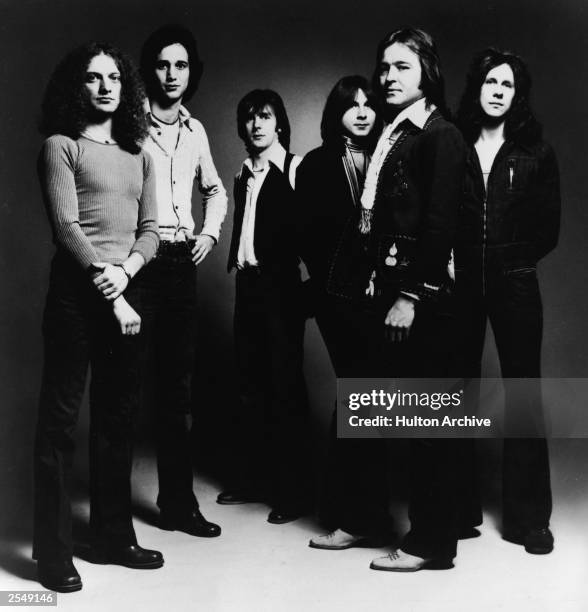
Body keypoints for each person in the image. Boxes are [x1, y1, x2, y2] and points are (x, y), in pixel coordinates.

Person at [33, 42, 162, 593]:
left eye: (114, 77)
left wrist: (126, 274)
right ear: (76, 87)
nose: (105, 86)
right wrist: (110, 291)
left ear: (125, 89)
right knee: (60, 425)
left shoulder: (141, 154)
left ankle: (113, 536)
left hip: (125, 292)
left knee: (118, 420)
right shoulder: (60, 146)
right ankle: (52, 553)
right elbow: (67, 229)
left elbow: (151, 230)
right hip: (77, 297)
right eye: (92, 77)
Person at [356, 28, 467, 572]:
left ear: (426, 72)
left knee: (430, 425)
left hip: (427, 301)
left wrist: (409, 296)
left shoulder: (439, 134)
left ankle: (432, 545)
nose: (388, 77)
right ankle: (400, 528)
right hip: (399, 293)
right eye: (384, 68)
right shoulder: (397, 132)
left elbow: (441, 224)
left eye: (401, 67)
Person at [454, 48, 560, 554]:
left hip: (514, 282)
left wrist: (511, 262)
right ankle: (456, 509)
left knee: (522, 394)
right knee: (456, 389)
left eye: (508, 85)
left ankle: (529, 519)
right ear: (477, 87)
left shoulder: (535, 152)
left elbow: (548, 228)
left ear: (517, 96)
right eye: (490, 81)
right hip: (459, 283)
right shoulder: (455, 143)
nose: (497, 90)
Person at [295, 76, 395, 549]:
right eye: (351, 105)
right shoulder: (316, 164)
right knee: (362, 395)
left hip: (384, 297)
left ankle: (351, 512)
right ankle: (354, 516)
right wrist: (352, 279)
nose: (361, 111)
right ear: (335, 112)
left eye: (368, 104)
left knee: (366, 398)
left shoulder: (389, 157)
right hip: (339, 298)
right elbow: (309, 240)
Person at [139, 24, 226, 539]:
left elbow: (215, 190)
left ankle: (179, 505)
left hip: (180, 267)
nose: (172, 75)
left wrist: (210, 235)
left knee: (178, 393)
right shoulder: (129, 126)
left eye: (182, 66)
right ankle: (109, 518)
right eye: (164, 64)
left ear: (192, 73)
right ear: (150, 68)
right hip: (139, 264)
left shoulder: (195, 132)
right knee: (126, 386)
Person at [218, 89, 312, 524]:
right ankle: (253, 478)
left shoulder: (294, 169)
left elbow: (313, 235)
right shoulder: (242, 172)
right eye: (250, 118)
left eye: (265, 116)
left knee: (284, 387)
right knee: (247, 384)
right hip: (248, 287)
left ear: (280, 124)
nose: (257, 125)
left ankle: (293, 492)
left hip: (281, 290)